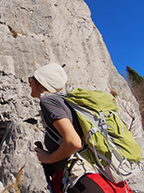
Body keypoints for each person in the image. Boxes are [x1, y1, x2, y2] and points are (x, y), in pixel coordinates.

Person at [30, 63, 133, 193]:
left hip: (82, 178)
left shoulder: (48, 101)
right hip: (97, 175)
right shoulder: (66, 101)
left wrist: (48, 158)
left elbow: (74, 142)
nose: (29, 83)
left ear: (40, 82)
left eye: (31, 79)